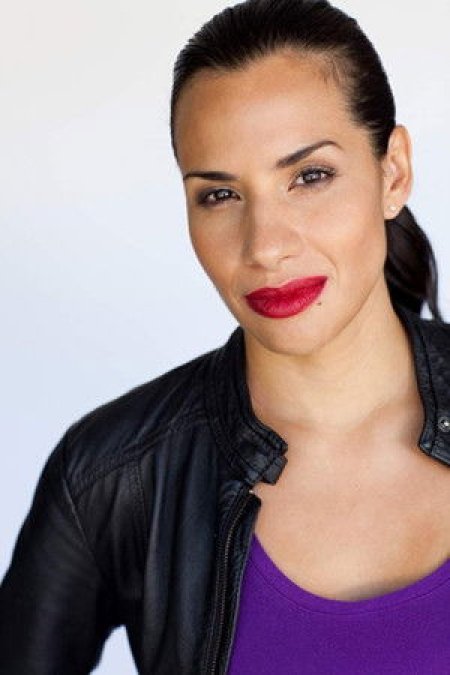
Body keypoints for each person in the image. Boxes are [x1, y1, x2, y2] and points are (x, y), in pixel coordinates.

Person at [1, 0, 450, 673]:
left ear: (394, 173)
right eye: (220, 195)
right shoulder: (111, 476)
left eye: (309, 177)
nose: (264, 246)